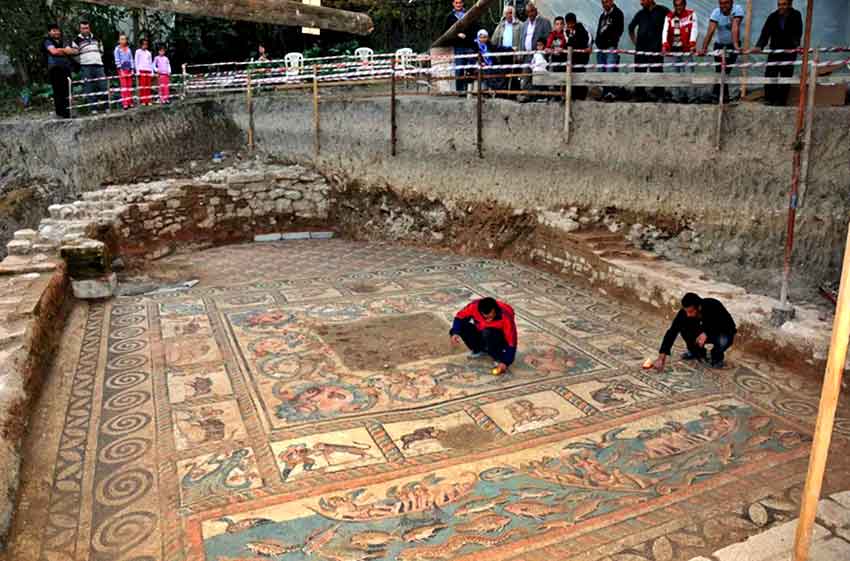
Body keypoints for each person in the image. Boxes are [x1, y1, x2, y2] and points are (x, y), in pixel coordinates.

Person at [652, 292, 737, 371]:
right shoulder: (684, 313)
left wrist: (707, 333)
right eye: (686, 311)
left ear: (699, 307)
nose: (688, 314)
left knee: (723, 340)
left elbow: (730, 326)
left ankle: (716, 357)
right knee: (684, 329)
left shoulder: (713, 305)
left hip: (719, 332)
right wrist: (661, 358)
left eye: (690, 312)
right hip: (701, 333)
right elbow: (672, 332)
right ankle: (696, 352)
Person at [450, 297, 518, 376]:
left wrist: (505, 362)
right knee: (459, 328)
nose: (488, 320)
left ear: (496, 310)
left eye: (491, 317)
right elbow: (459, 318)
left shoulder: (505, 317)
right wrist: (455, 332)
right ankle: (479, 349)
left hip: (496, 337)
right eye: (486, 317)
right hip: (481, 331)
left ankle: (497, 356)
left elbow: (511, 342)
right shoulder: (474, 307)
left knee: (488, 332)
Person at [755, 0, 803, 106]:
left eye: (784, 4)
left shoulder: (796, 15)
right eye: (779, 4)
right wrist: (759, 46)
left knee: (786, 75)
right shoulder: (773, 16)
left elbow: (797, 31)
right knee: (770, 73)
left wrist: (797, 45)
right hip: (775, 50)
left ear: (790, 4)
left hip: (789, 50)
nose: (781, 7)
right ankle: (769, 98)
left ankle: (781, 101)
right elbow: (765, 33)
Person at [700, 0, 744, 102]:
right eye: (721, 3)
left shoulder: (737, 9)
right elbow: (710, 30)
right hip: (719, 45)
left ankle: (720, 95)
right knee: (719, 70)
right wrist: (704, 48)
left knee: (726, 70)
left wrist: (736, 45)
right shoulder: (716, 12)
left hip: (732, 45)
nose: (723, 5)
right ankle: (721, 96)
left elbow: (735, 27)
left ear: (732, 2)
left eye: (726, 3)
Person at [628, 0, 670, 101]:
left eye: (643, 0)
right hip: (641, 50)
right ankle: (639, 95)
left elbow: (672, 25)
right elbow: (630, 28)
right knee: (639, 72)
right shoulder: (640, 13)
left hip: (656, 49)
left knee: (657, 72)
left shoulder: (663, 11)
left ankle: (659, 95)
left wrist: (666, 42)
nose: (641, 3)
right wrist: (635, 42)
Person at [662, 0, 698, 102]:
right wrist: (664, 44)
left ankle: (692, 97)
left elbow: (694, 29)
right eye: (676, 5)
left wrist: (692, 43)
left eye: (681, 5)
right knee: (674, 74)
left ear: (685, 5)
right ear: (674, 6)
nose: (678, 7)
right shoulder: (669, 16)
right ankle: (675, 97)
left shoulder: (691, 14)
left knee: (689, 73)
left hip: (687, 50)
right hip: (673, 50)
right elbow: (665, 31)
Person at [43, 24, 78, 119]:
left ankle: (68, 112)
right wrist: (65, 50)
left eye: (57, 30)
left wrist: (61, 50)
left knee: (68, 90)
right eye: (54, 30)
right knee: (58, 91)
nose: (56, 32)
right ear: (49, 32)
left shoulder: (64, 40)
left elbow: (74, 51)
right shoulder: (47, 41)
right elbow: (54, 52)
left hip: (66, 68)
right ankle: (60, 113)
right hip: (55, 69)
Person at [518, 3, 552, 97]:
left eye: (532, 11)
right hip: (526, 56)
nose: (530, 14)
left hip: (539, 56)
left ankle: (540, 97)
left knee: (539, 79)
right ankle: (530, 96)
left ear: (536, 10)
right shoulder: (524, 24)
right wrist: (520, 54)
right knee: (526, 80)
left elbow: (549, 39)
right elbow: (521, 40)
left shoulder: (545, 22)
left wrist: (544, 52)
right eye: (528, 12)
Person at [72, 20, 106, 113]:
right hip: (85, 66)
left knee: (103, 85)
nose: (85, 30)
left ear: (89, 28)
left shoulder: (97, 38)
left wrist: (96, 58)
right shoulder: (76, 41)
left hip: (98, 65)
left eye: (86, 28)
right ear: (80, 29)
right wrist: (84, 61)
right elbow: (74, 55)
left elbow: (101, 50)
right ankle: (93, 108)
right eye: (83, 28)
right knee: (89, 87)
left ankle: (106, 106)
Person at [444, 0, 477, 92]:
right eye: (456, 3)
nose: (458, 4)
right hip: (458, 47)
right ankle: (460, 91)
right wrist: (456, 35)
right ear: (453, 4)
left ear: (463, 3)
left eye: (460, 2)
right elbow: (446, 33)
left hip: (470, 45)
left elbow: (475, 28)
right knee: (459, 69)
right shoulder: (450, 17)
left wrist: (469, 37)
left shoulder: (469, 14)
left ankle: (470, 90)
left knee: (471, 68)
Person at [596, 0, 625, 101]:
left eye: (607, 2)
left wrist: (611, 41)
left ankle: (611, 93)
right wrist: (598, 42)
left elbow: (619, 30)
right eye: (603, 2)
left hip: (610, 47)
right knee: (601, 71)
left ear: (612, 1)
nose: (605, 4)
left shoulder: (618, 13)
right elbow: (599, 30)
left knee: (610, 70)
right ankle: (604, 93)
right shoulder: (602, 15)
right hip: (601, 48)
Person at [565, 13, 591, 101]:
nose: (570, 25)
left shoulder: (581, 29)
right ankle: (572, 96)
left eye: (571, 23)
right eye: (568, 23)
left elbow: (584, 42)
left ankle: (581, 96)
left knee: (580, 76)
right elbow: (567, 44)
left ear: (575, 22)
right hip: (572, 59)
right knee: (572, 77)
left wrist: (572, 37)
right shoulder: (567, 32)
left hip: (581, 58)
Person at [114, 34, 135, 110]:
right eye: (121, 39)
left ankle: (130, 102)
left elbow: (131, 59)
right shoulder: (117, 49)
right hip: (122, 69)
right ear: (119, 40)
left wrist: (132, 69)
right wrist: (120, 70)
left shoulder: (128, 49)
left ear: (126, 40)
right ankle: (125, 103)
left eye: (124, 39)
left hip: (129, 69)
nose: (123, 41)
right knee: (124, 87)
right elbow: (117, 60)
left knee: (129, 86)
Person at [135, 37, 154, 106]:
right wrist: (137, 71)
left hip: (148, 70)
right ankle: (143, 100)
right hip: (141, 70)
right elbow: (136, 61)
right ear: (141, 45)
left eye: (146, 44)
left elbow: (150, 62)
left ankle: (148, 100)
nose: (145, 45)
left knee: (148, 86)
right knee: (143, 86)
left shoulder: (149, 53)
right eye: (143, 44)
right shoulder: (138, 52)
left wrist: (152, 72)